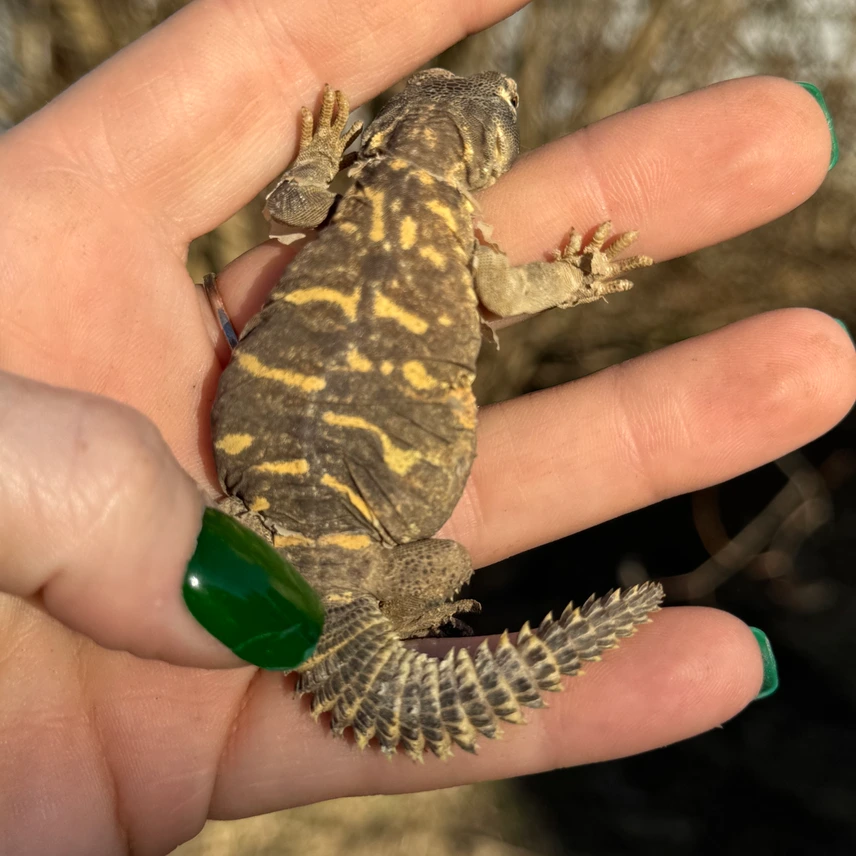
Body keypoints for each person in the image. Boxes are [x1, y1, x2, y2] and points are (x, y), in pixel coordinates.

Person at [0, 0, 851, 853]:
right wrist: (577, 276)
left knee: (439, 562)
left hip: (263, 487)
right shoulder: (457, 233)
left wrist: (324, 153)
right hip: (321, 524)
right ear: (485, 159)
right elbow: (512, 294)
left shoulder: (348, 194)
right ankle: (392, 618)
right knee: (443, 559)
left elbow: (289, 212)